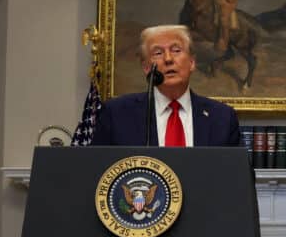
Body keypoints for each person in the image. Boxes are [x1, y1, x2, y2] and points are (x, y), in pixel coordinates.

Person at [91, 24, 240, 147]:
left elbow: (235, 172)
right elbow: (99, 169)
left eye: (176, 50)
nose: (168, 59)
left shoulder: (222, 118)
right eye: (158, 53)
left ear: (192, 62)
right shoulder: (116, 114)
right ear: (146, 67)